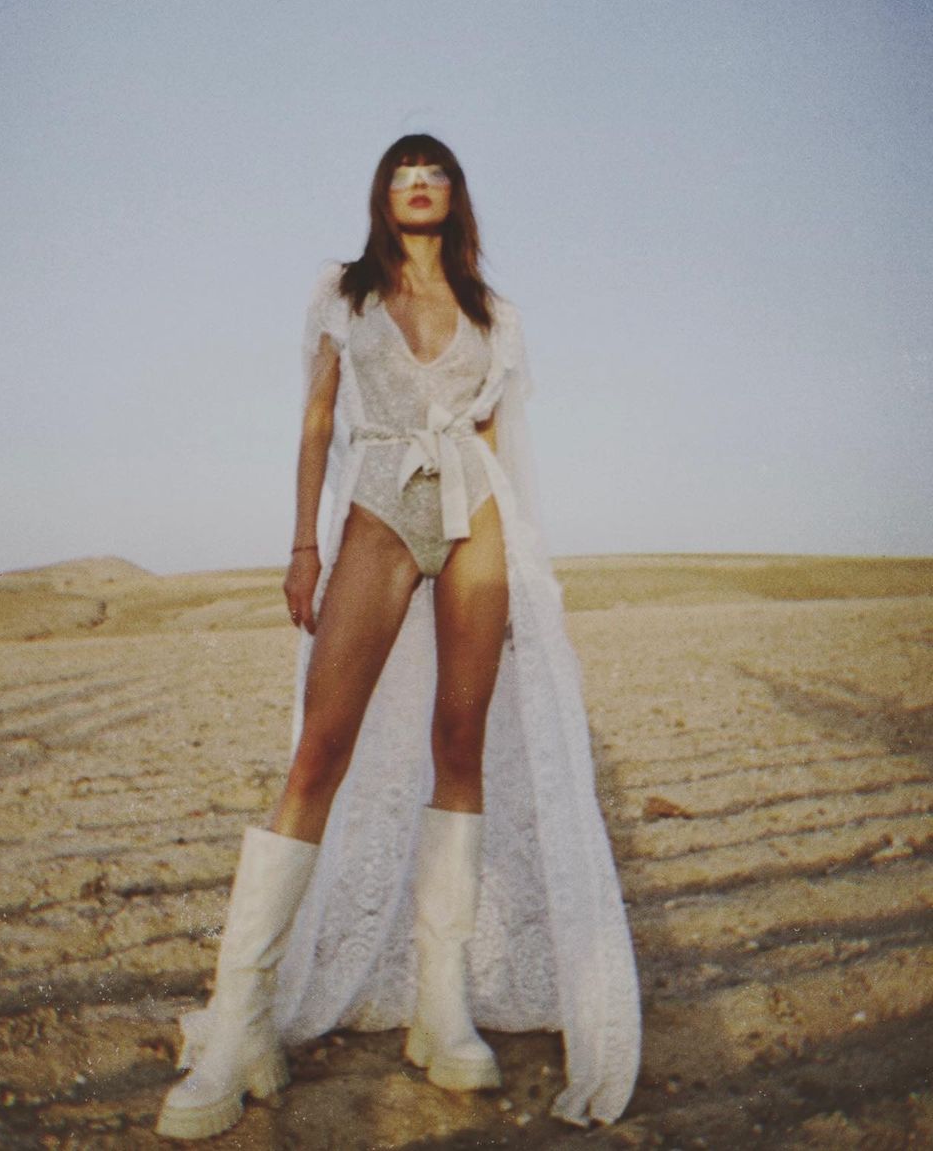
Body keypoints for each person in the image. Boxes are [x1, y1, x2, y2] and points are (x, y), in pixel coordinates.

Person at [156, 135, 641, 1141]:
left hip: (476, 513)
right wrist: (305, 545)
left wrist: (525, 575)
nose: (419, 182)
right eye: (402, 172)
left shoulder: (494, 312)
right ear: (383, 194)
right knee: (319, 749)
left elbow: (500, 439)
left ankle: (441, 1007)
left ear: (456, 193)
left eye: (436, 171)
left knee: (460, 745)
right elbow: (317, 420)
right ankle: (239, 1029)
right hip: (378, 503)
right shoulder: (345, 292)